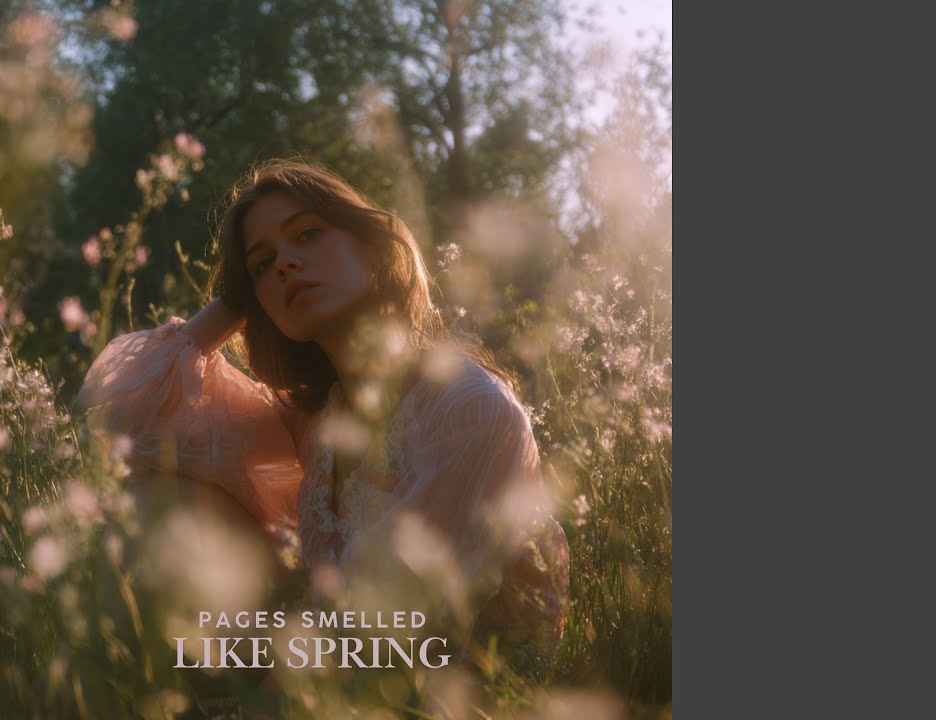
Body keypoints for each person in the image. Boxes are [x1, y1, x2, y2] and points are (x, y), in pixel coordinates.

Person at [75, 159, 569, 675]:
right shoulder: (311, 421)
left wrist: (248, 662)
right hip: (333, 662)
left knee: (173, 659)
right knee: (156, 496)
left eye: (307, 234)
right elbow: (116, 420)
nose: (285, 263)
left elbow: (396, 621)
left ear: (375, 250)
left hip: (446, 683)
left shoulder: (466, 407)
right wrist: (235, 301)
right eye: (262, 264)